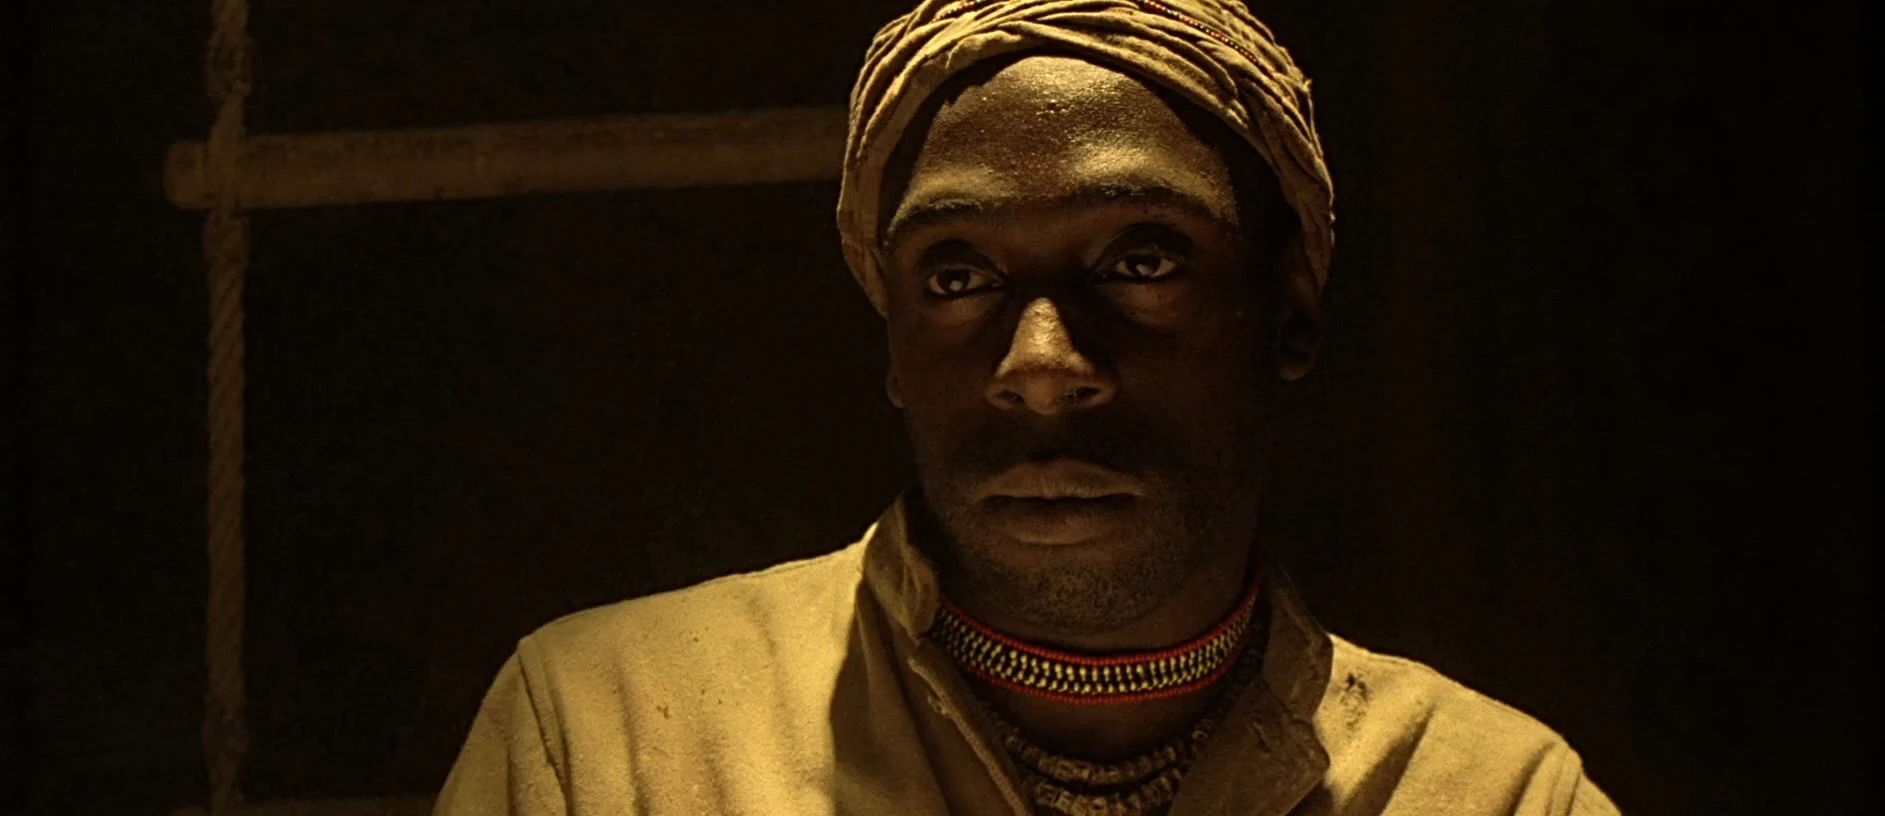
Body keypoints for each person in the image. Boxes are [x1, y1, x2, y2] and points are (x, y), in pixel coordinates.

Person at [433, 1, 1620, 813]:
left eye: (1141, 262)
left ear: (1289, 318)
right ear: (894, 344)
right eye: (958, 277)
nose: (1042, 361)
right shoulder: (613, 736)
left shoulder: (1492, 791)